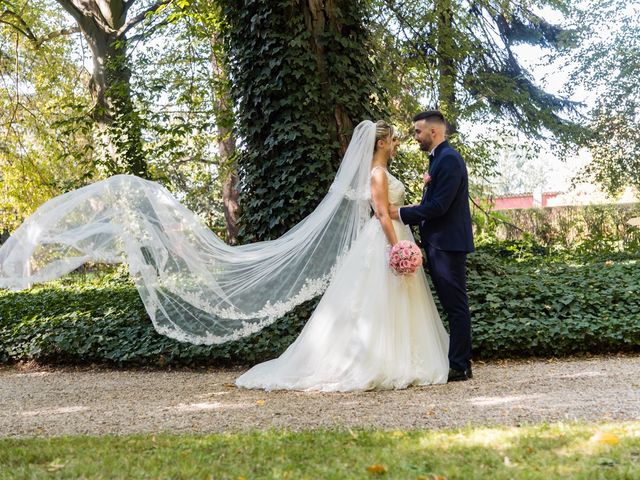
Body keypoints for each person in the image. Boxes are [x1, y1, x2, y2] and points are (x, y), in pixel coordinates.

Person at [236, 120, 449, 391]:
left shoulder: (382, 171)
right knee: (382, 296)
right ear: (381, 143)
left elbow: (392, 209)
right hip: (388, 236)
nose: (397, 144)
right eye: (393, 140)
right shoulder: (378, 173)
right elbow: (382, 213)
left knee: (401, 297)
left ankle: (405, 356)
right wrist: (397, 247)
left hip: (396, 232)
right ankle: (379, 359)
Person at [390, 111, 474, 382]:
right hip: (440, 243)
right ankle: (460, 363)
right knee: (452, 305)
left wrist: (400, 214)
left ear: (434, 132)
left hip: (447, 245)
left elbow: (439, 207)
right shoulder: (439, 159)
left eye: (417, 131)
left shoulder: (448, 160)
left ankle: (460, 366)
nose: (415, 137)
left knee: (456, 306)